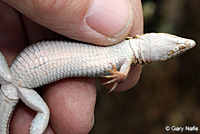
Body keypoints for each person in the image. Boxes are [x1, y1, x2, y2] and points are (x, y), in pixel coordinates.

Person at [0, 0, 143, 133]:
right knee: (46, 113)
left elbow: (122, 76)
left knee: (47, 113)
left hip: (17, 78)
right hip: (18, 80)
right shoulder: (126, 54)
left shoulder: (126, 55)